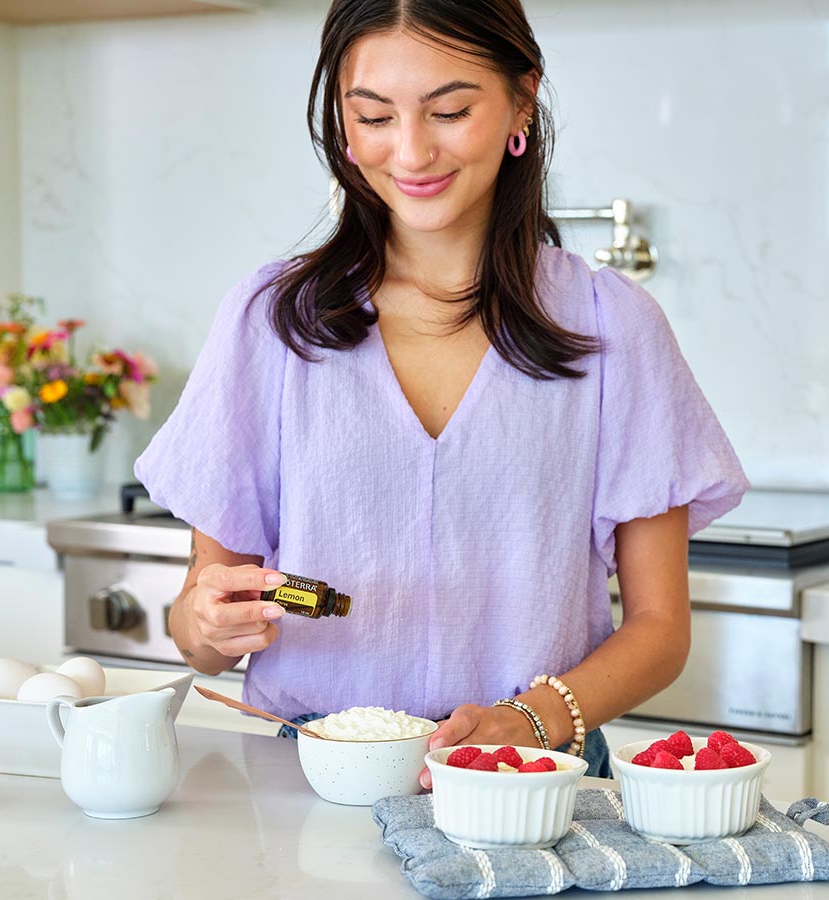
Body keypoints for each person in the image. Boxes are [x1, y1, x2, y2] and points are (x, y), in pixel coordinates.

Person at [135, 0, 747, 785]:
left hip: (528, 778)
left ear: (522, 99)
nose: (412, 152)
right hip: (314, 778)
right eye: (374, 116)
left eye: (450, 110)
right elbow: (198, 625)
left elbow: (661, 629)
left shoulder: (611, 324)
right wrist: (206, 624)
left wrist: (527, 721)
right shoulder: (269, 323)